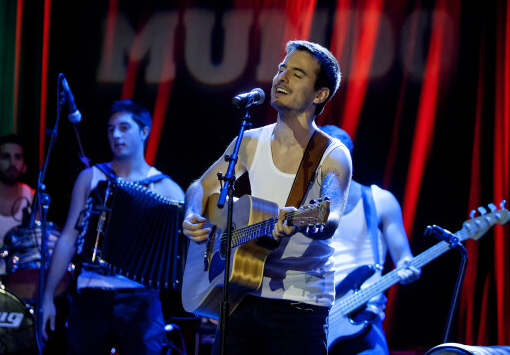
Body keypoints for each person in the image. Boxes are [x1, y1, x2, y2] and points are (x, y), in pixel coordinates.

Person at [182, 40, 353, 355]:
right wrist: (192, 214)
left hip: (299, 305)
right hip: (239, 295)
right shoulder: (248, 142)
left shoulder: (332, 154)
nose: (281, 77)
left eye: (297, 74)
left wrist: (308, 220)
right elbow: (201, 187)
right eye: (281, 69)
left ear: (319, 95)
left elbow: (330, 216)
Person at [41, 99, 184, 355]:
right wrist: (48, 296)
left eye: (124, 127)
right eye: (111, 129)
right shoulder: (90, 178)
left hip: (141, 298)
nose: (116, 135)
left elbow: (181, 254)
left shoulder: (167, 189)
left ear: (144, 131)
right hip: (91, 292)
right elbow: (68, 239)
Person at [320, 125, 420, 355]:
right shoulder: (302, 207)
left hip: (362, 320)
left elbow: (404, 259)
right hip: (312, 317)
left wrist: (408, 268)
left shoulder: (380, 200)